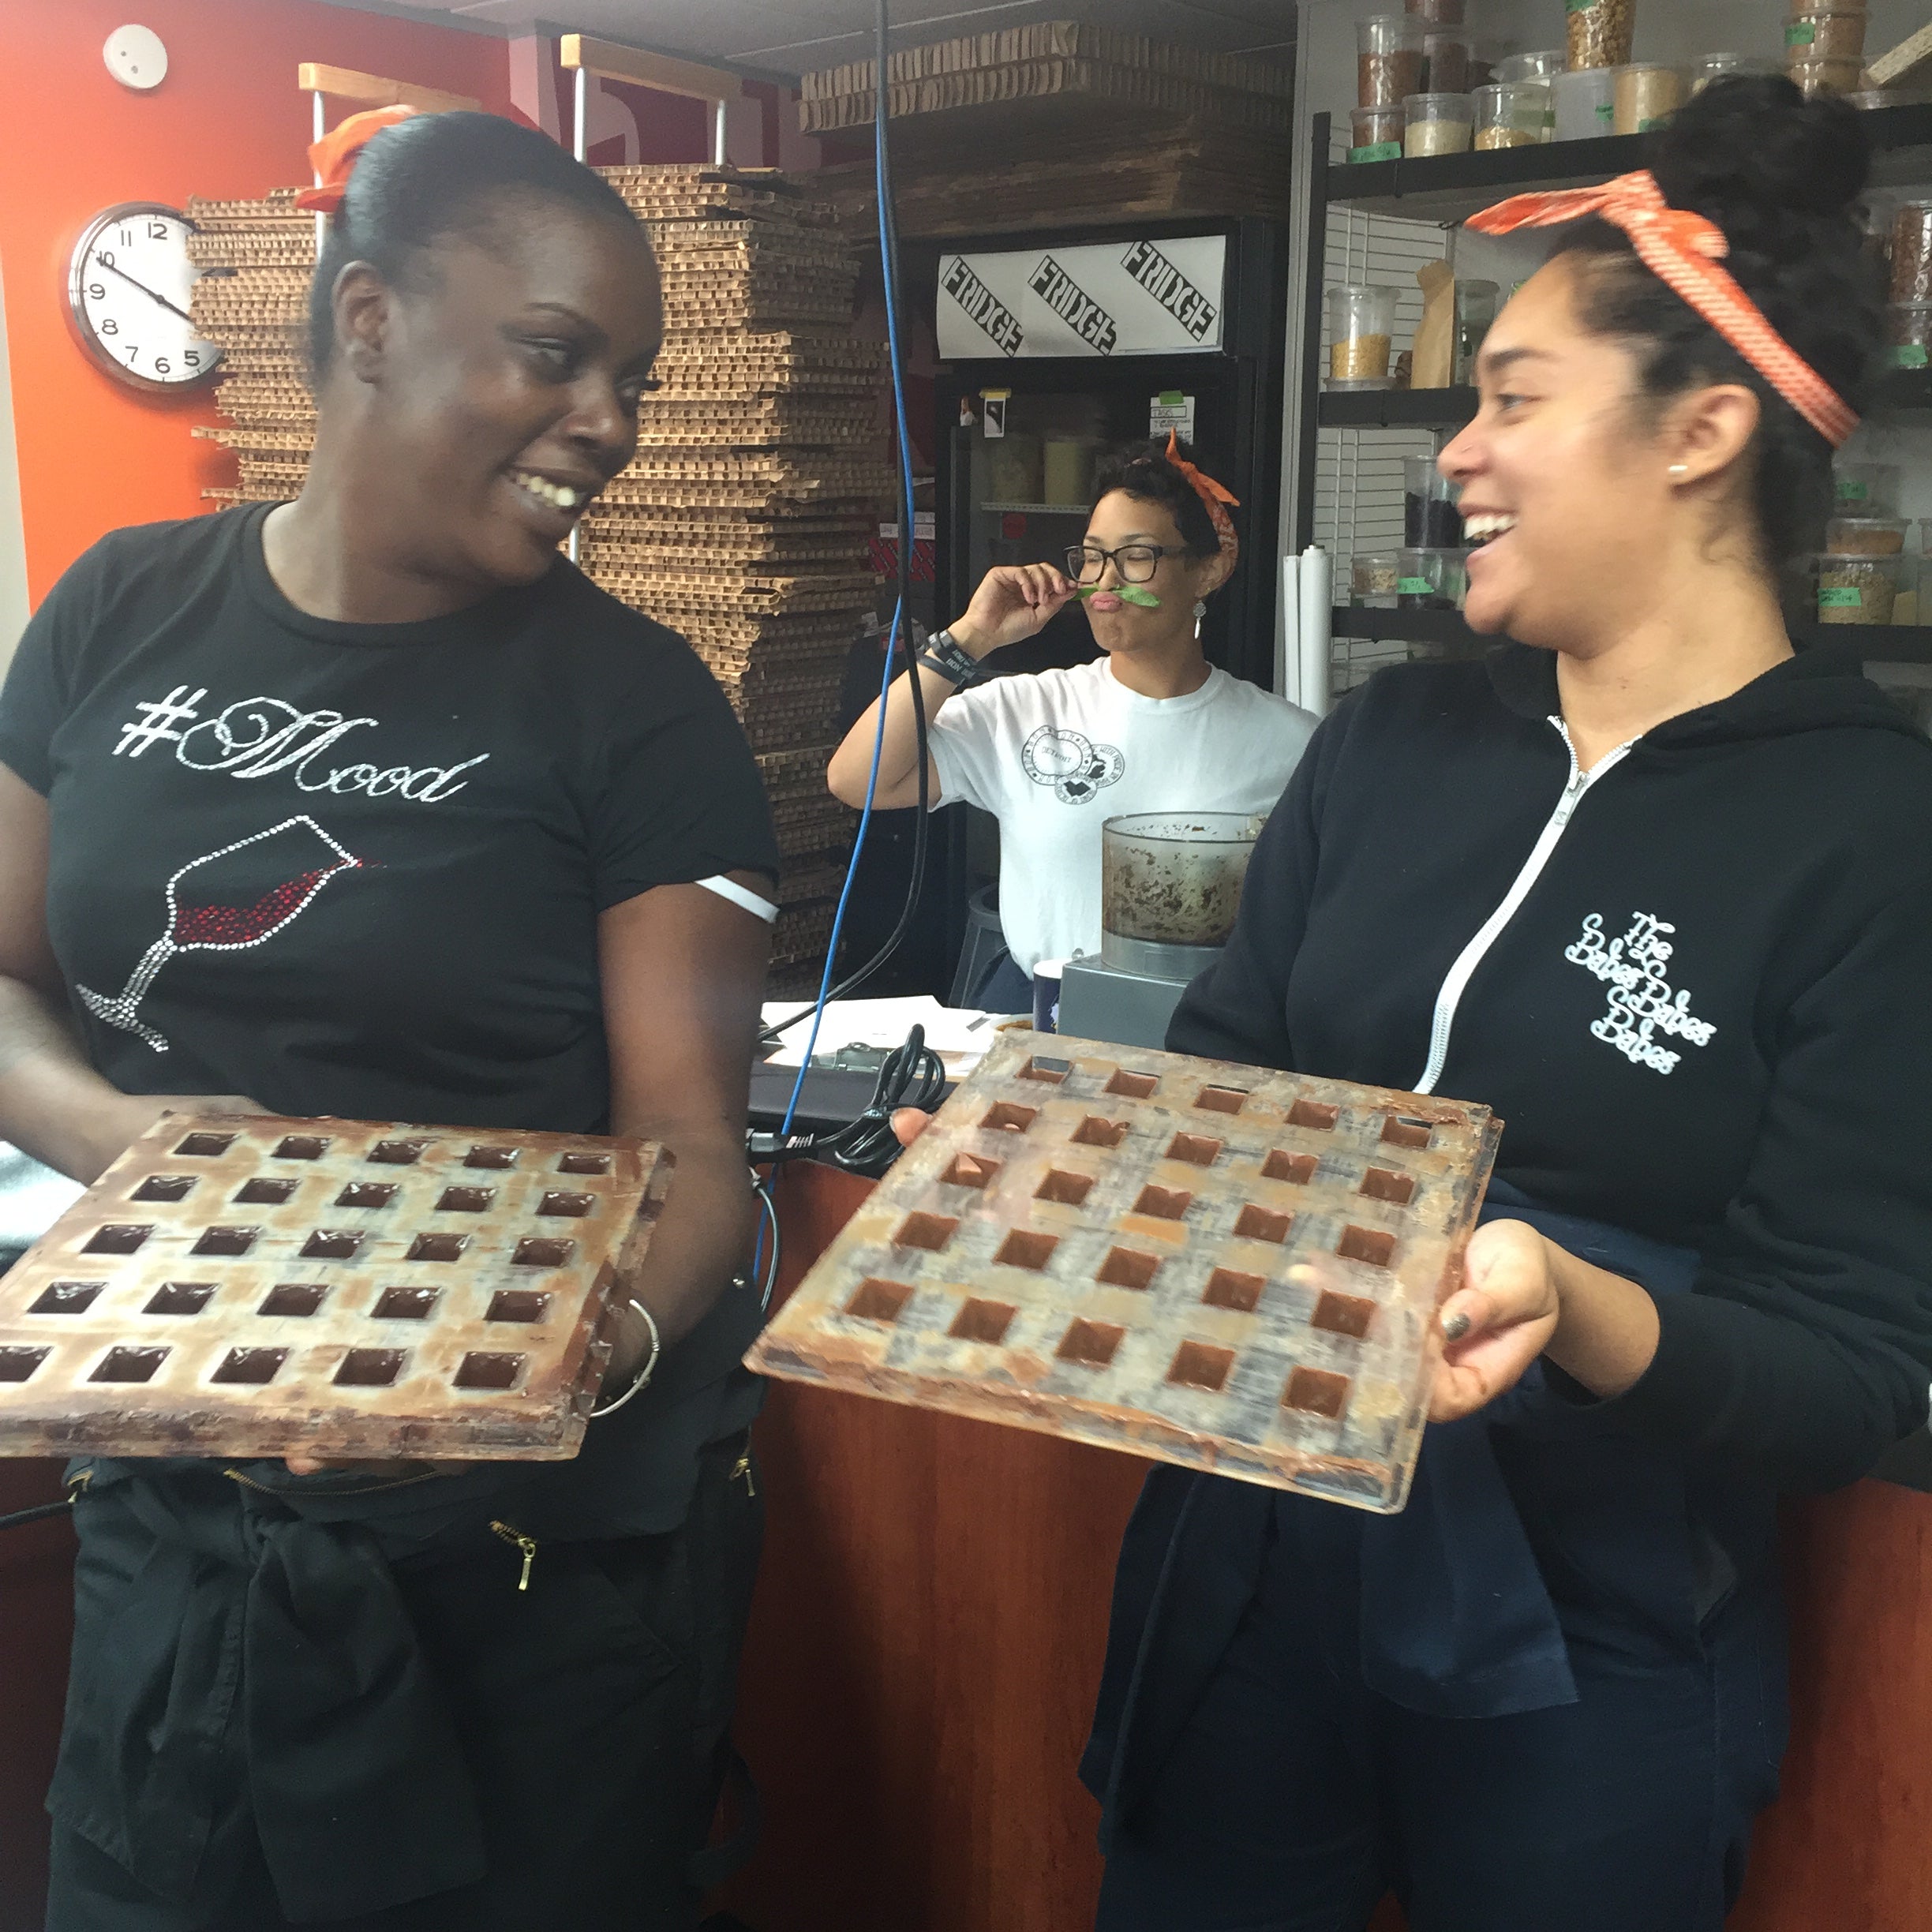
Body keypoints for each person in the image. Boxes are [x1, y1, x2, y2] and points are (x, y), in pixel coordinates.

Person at [902, 77, 1932, 1927]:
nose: (1457, 450)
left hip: (1593, 1621)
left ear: (1700, 430)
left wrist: (1567, 1300)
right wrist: (1065, 1169)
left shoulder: (1867, 830)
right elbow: (1226, 1079)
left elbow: (1849, 1369)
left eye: (1513, 397)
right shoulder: (1394, 737)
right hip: (1258, 1542)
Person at [0, 109, 780, 1930]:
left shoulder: (644, 713)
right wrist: (120, 1134)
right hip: (177, 1524)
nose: (606, 419)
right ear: (368, 319)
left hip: (509, 1576)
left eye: (632, 380)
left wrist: (537, 1365)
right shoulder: (114, 610)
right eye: (552, 353)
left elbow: (692, 1154)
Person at [828, 437, 1316, 1011]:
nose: (1104, 582)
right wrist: (970, 638)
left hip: (1204, 1024)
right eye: (1091, 556)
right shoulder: (1028, 710)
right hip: (1042, 1012)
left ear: (1209, 570)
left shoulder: (1290, 741)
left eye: (1137, 556)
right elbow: (858, 780)